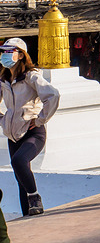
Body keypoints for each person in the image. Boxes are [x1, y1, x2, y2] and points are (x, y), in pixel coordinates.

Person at [0, 38, 59, 216]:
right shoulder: (4, 79)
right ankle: (29, 214)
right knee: (20, 179)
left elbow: (53, 95)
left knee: (19, 161)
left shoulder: (31, 77)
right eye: (3, 51)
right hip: (13, 134)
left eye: (9, 52)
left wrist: (40, 119)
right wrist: (3, 119)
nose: (4, 55)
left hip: (33, 132)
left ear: (20, 55)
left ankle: (35, 197)